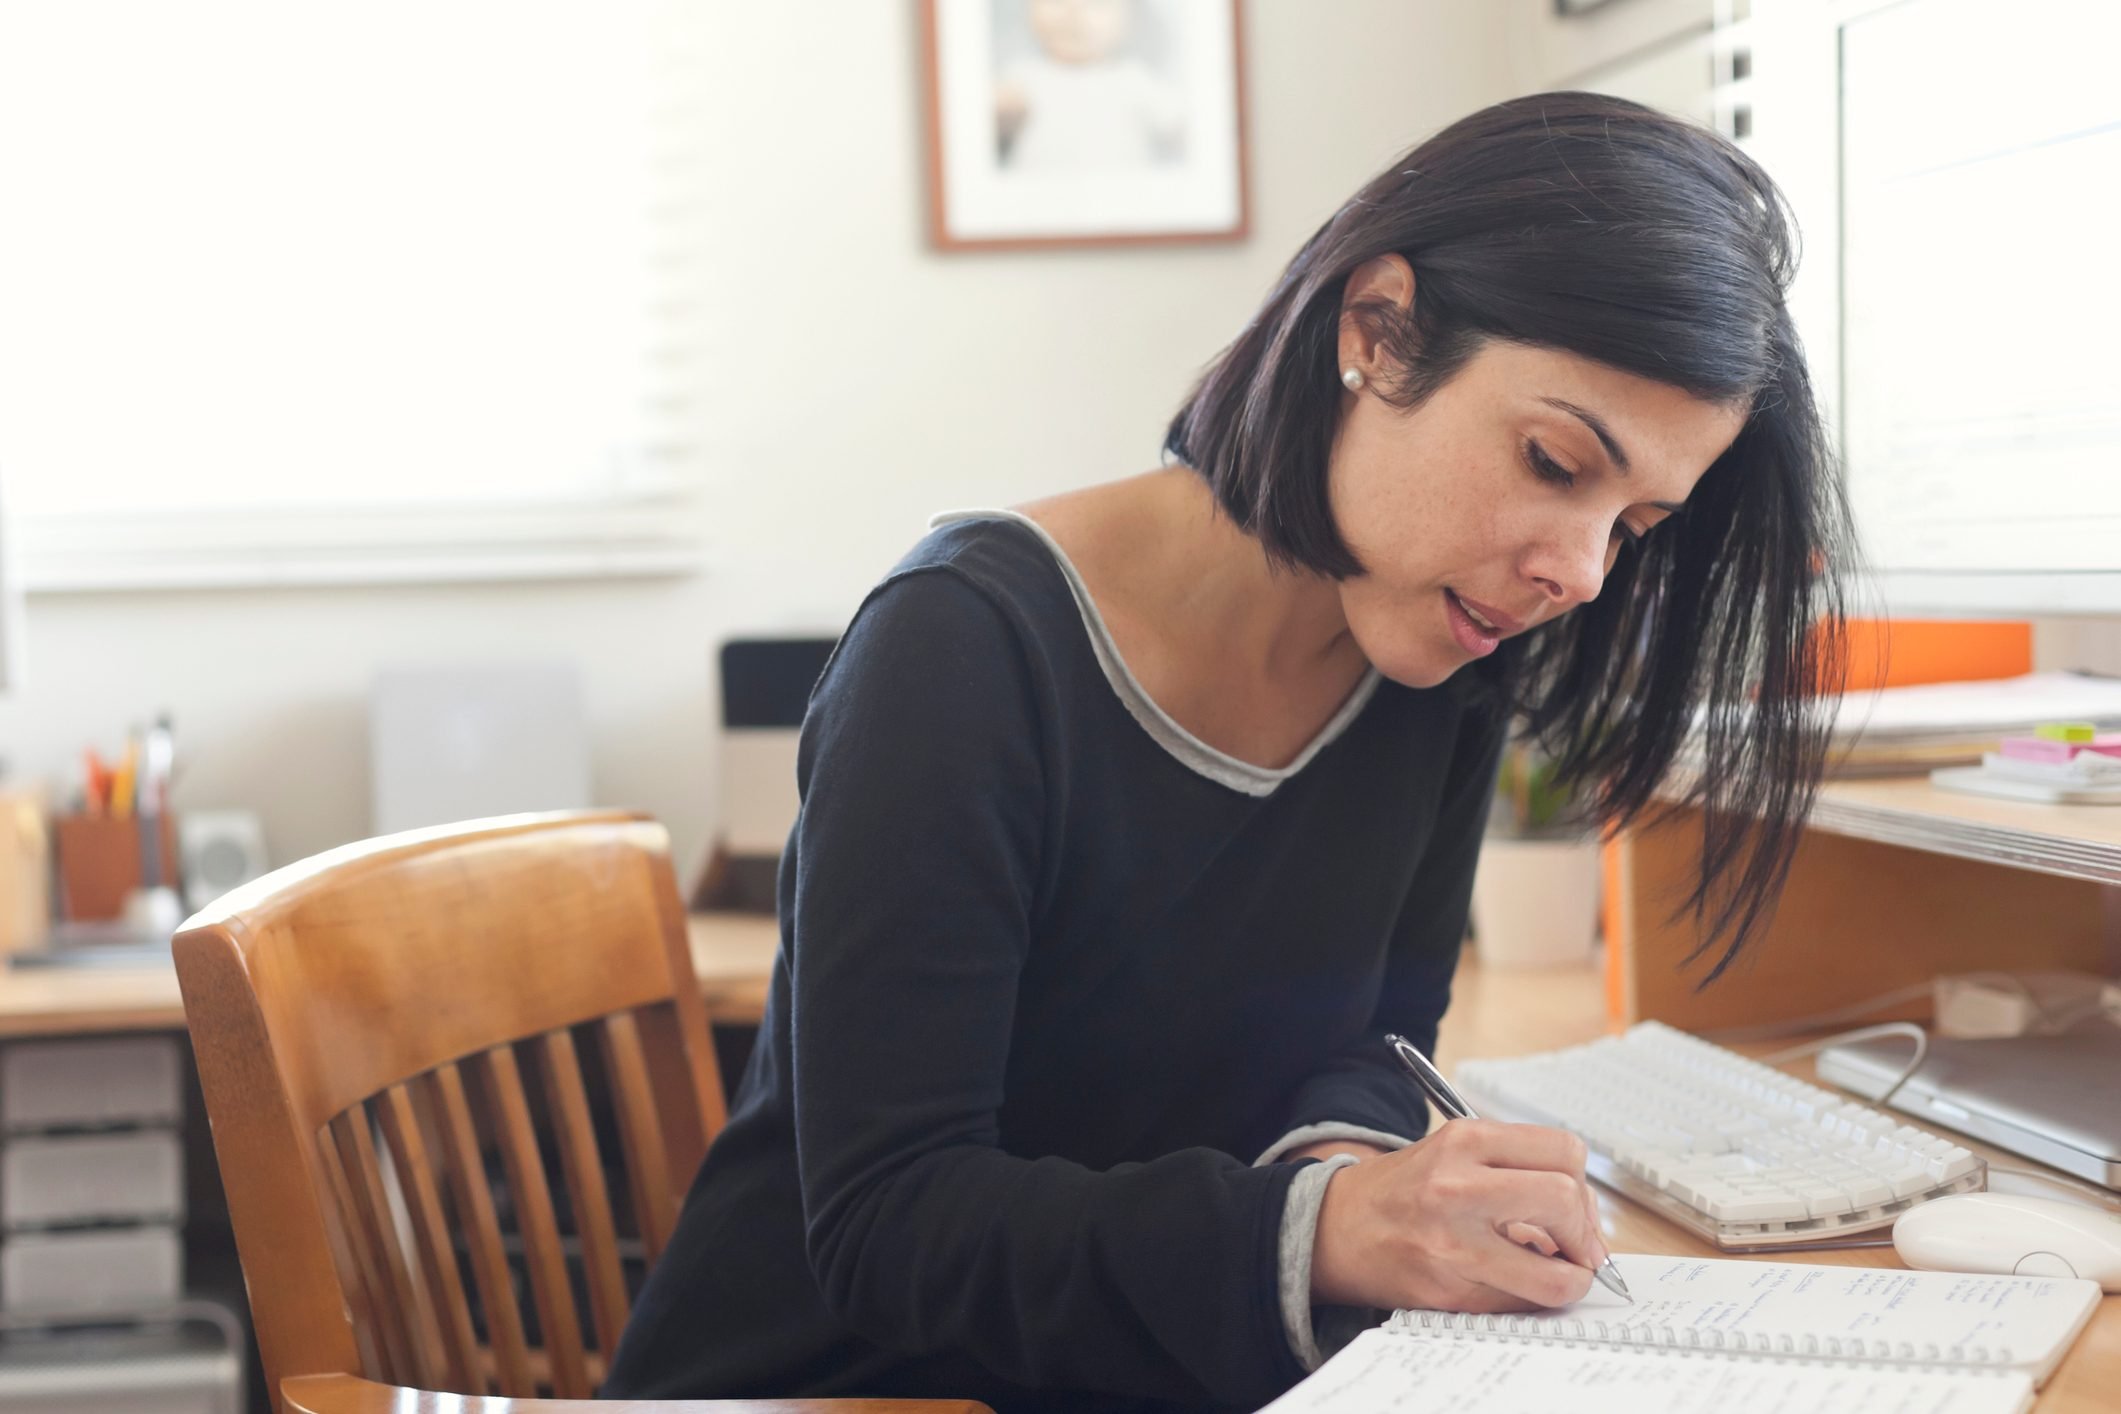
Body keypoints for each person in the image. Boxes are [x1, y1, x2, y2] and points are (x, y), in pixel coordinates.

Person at [604, 92, 1850, 1413]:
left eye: (1634, 523)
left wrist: (1339, 1172)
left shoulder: (1435, 650)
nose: (1580, 572)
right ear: (1376, 330)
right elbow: (891, 1227)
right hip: (841, 1388)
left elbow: (1378, 1035)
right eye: (1552, 462)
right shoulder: (963, 647)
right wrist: (1325, 1230)